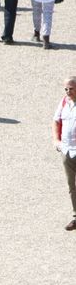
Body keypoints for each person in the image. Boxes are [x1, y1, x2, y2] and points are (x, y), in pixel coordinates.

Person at [54, 76, 76, 231]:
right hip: (67, 150)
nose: (68, 91)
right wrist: (56, 140)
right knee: (71, 185)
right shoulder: (64, 102)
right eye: (66, 89)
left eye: (71, 89)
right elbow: (56, 121)